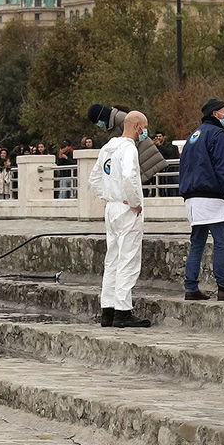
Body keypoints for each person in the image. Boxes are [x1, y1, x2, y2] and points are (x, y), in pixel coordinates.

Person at [179, 98, 224, 302]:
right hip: (209, 196)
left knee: (197, 242)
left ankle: (191, 287)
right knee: (222, 242)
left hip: (192, 197)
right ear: (215, 114)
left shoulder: (194, 135)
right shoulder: (218, 134)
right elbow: (222, 167)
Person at [88, 110, 151, 328]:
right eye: (144, 127)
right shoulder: (128, 149)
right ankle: (123, 310)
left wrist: (108, 196)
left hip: (112, 208)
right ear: (137, 127)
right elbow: (129, 176)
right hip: (126, 209)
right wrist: (134, 202)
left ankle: (108, 309)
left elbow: (94, 178)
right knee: (128, 260)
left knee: (112, 259)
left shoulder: (107, 147)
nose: (146, 132)